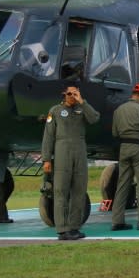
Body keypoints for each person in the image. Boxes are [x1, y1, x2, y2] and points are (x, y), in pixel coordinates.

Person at [42, 83, 100, 240]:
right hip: (62, 151)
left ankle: (74, 227)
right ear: (64, 94)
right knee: (60, 191)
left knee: (79, 191)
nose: (72, 97)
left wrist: (83, 101)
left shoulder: (82, 109)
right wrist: (47, 159)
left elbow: (94, 118)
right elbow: (48, 136)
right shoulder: (55, 111)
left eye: (75, 94)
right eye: (70, 94)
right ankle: (62, 229)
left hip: (80, 151)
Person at [112, 83, 139, 231]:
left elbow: (115, 133)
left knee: (122, 185)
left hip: (123, 148)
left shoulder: (119, 110)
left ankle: (117, 221)